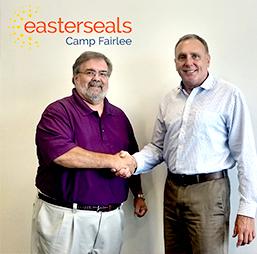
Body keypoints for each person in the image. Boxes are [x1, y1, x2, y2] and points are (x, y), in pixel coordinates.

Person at [115, 34, 257, 254]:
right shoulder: (168, 100)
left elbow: (245, 154)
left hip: (209, 193)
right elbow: (157, 148)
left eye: (195, 56)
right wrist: (133, 163)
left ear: (208, 59)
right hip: (172, 190)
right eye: (182, 57)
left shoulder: (229, 95)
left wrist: (247, 209)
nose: (188, 62)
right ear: (175, 63)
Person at [31, 51, 147, 254]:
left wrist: (138, 193)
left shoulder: (118, 116)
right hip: (66, 217)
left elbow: (131, 156)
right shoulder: (58, 112)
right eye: (90, 72)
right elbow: (63, 155)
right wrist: (112, 161)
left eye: (103, 73)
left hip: (111, 217)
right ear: (75, 77)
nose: (97, 79)